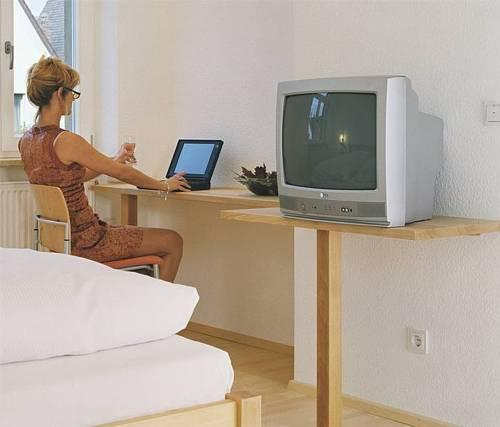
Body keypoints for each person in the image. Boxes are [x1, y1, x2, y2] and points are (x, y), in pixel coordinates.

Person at [19, 56, 190, 282]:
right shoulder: (65, 140)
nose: (73, 100)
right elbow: (123, 173)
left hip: (63, 240)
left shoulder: (27, 141)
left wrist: (115, 159)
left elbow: (74, 177)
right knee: (172, 241)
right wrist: (164, 185)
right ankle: (158, 307)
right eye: (73, 93)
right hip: (89, 242)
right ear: (60, 93)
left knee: (141, 238)